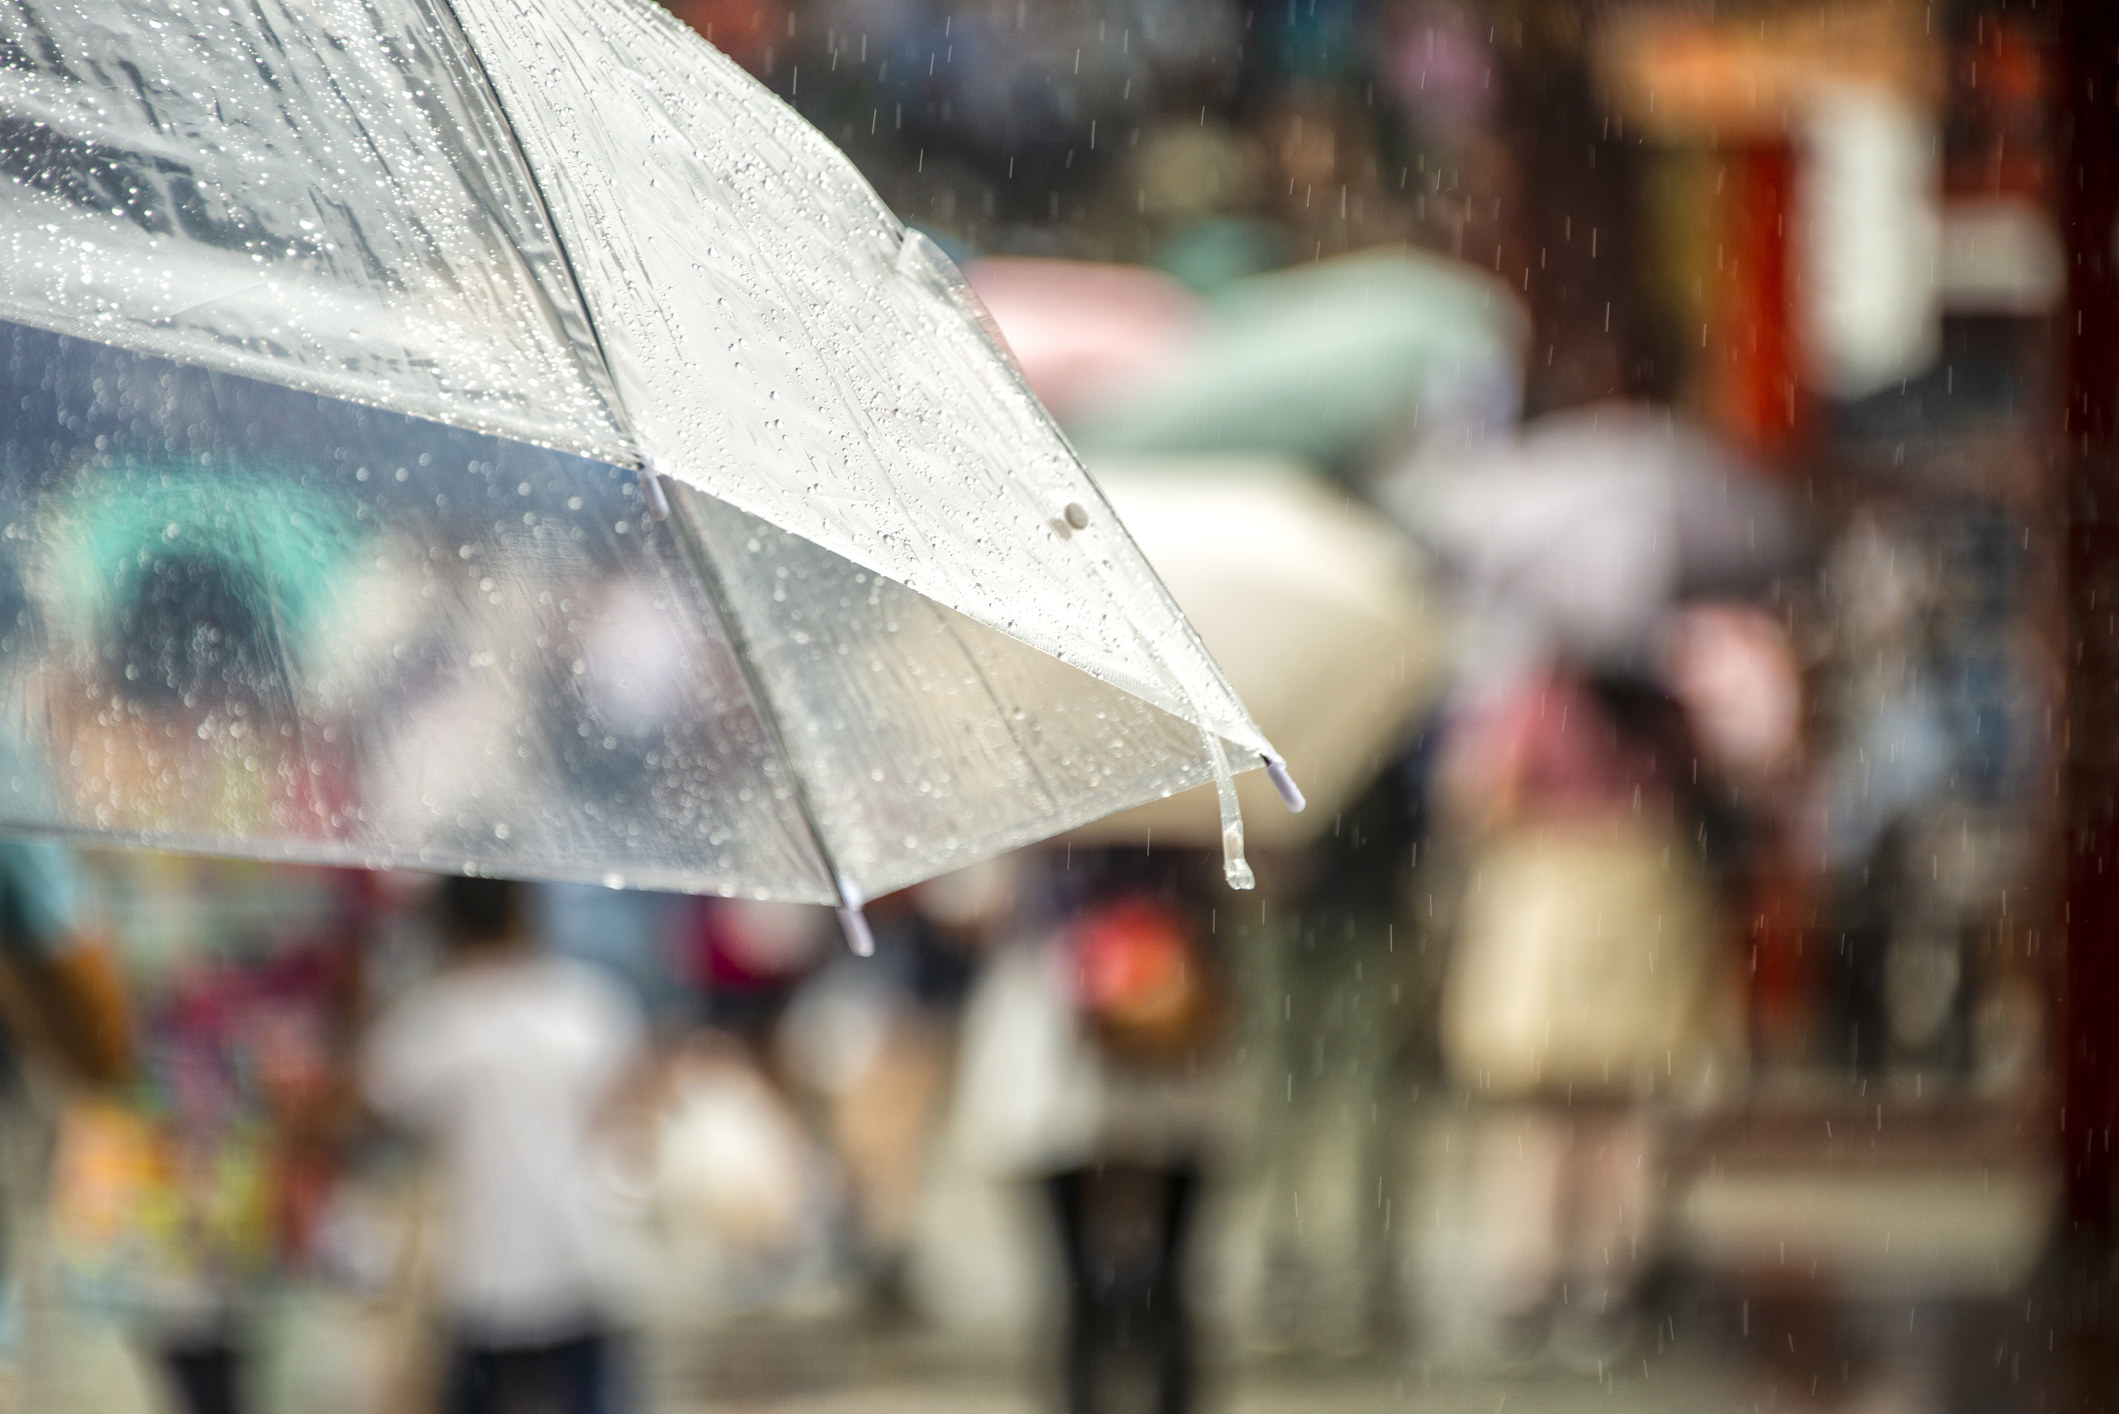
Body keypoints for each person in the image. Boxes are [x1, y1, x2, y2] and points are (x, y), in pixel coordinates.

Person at [362, 876, 645, 1414]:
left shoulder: (436, 1021)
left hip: (480, 1272)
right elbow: (623, 1120)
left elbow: (377, 1100)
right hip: (577, 1253)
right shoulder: (585, 1005)